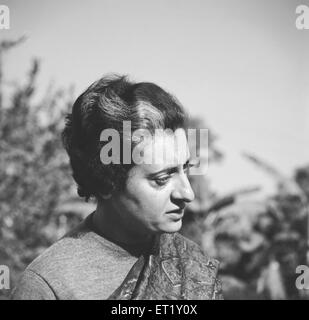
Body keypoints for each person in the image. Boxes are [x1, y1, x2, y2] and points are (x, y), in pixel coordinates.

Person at [11, 75, 223, 300]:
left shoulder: (192, 264)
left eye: (185, 169)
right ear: (107, 183)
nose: (187, 193)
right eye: (161, 179)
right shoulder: (49, 284)